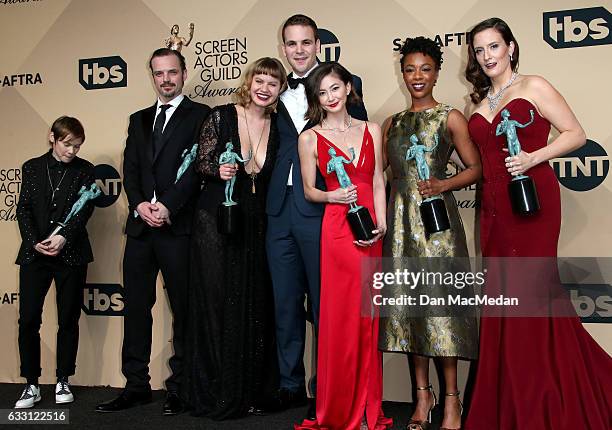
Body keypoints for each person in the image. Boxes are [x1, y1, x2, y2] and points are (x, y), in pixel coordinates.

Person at [463, 17, 612, 429]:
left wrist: (534, 157)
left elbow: (576, 134)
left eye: (494, 46)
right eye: (479, 50)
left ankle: (541, 399)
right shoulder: (475, 103)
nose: (487, 56)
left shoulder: (534, 86)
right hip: (493, 209)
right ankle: (508, 401)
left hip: (532, 204)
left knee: (530, 294)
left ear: (511, 47)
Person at [96, 48, 210, 415]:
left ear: (184, 73)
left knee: (184, 311)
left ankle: (180, 387)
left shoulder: (202, 116)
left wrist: (168, 206)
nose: (166, 79)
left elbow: (198, 170)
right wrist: (141, 204)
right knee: (135, 310)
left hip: (178, 229)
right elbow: (131, 171)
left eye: (172, 72)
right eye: (159, 73)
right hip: (141, 229)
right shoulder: (138, 119)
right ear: (152, 75)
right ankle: (136, 385)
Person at [266, 14, 368, 417]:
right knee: (285, 301)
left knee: (325, 302)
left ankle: (327, 384)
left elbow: (356, 139)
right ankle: (290, 383)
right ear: (283, 48)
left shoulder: (343, 84)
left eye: (306, 42)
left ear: (318, 44)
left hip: (323, 204)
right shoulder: (270, 87)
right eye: (291, 44)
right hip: (278, 208)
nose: (298, 50)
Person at [378, 36, 482, 430]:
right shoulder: (392, 124)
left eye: (425, 68)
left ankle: (451, 399)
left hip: (438, 227)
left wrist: (442, 184)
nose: (417, 76)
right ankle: (422, 398)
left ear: (437, 72)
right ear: (402, 74)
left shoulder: (451, 117)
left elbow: (476, 168)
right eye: (410, 69)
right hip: (401, 227)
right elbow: (381, 178)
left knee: (442, 311)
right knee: (408, 311)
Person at [183, 57, 287, 419]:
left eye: (272, 83)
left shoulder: (279, 126)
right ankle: (214, 391)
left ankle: (250, 391)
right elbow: (202, 161)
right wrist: (219, 168)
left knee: (254, 305)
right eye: (259, 80)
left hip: (257, 224)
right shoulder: (221, 115)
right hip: (216, 219)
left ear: (279, 90)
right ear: (249, 81)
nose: (264, 88)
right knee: (215, 303)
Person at [295, 61, 391, 430]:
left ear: (348, 87)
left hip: (372, 233)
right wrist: (332, 195)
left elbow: (378, 181)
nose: (330, 97)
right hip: (338, 232)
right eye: (322, 92)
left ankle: (368, 407)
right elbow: (309, 191)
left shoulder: (373, 129)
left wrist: (381, 223)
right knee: (339, 321)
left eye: (336, 88)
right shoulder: (310, 137)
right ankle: (339, 409)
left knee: (367, 319)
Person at [14, 116, 97, 408]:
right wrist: (33, 241)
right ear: (52, 137)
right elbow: (23, 208)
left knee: (68, 319)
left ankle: (63, 379)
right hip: (34, 254)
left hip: (71, 255)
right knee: (28, 320)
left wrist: (63, 238)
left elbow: (85, 210)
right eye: (66, 144)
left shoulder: (85, 170)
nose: (71, 151)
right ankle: (31, 384)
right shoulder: (32, 168)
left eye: (76, 145)